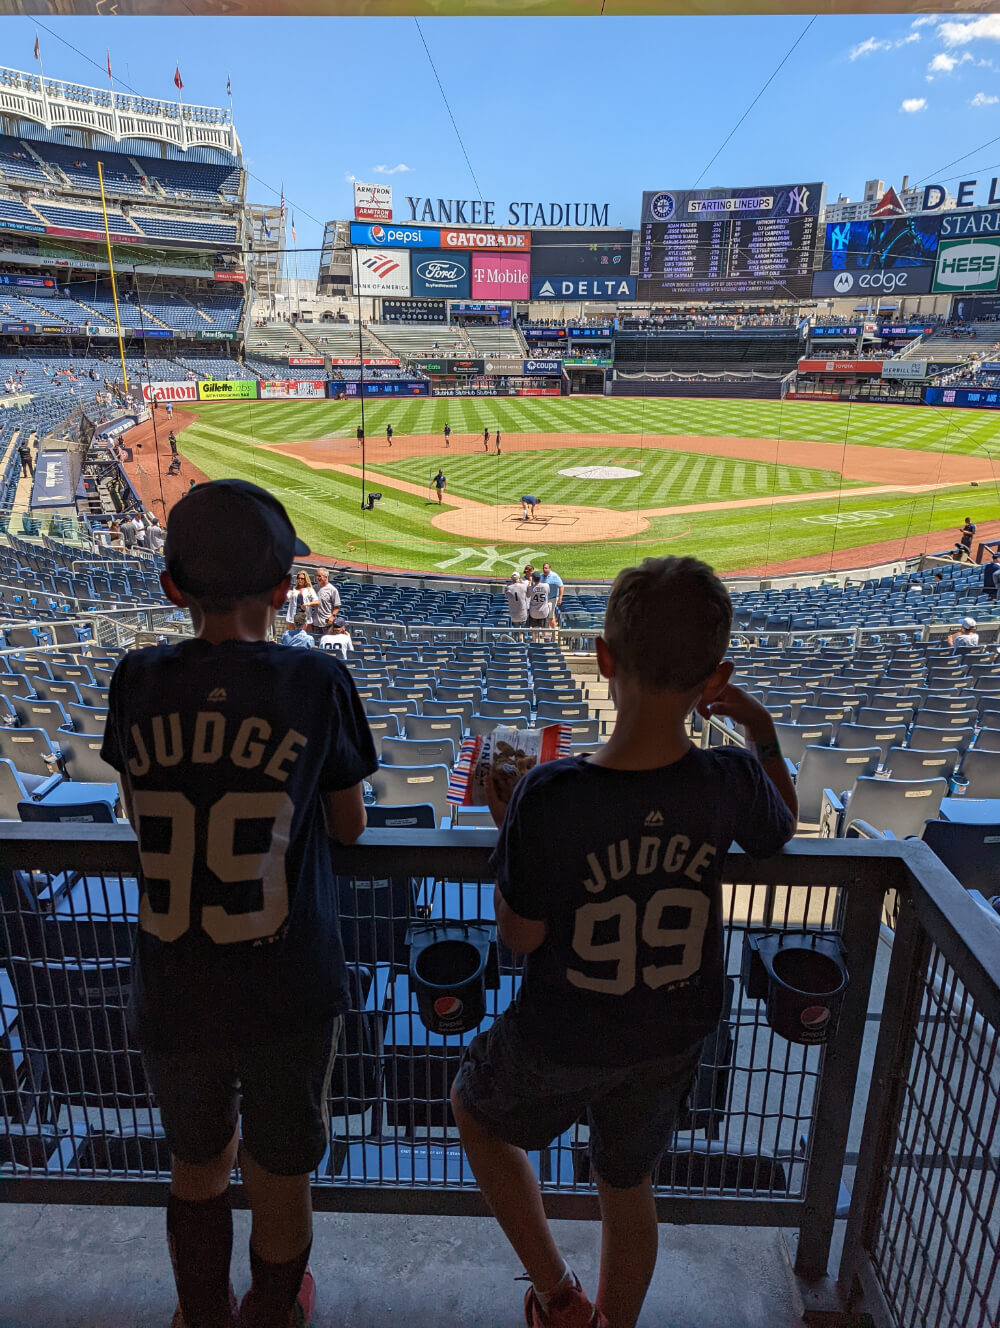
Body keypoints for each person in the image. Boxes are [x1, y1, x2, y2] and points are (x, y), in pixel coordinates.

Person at [450, 556, 796, 1328]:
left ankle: (559, 1296)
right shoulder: (733, 778)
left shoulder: (550, 794)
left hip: (564, 1031)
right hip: (672, 1033)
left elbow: (518, 935)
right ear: (716, 677)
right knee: (626, 1182)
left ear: (605, 660)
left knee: (474, 1111)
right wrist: (759, 724)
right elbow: (780, 820)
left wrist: (514, 838)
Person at [99, 479, 376, 1328]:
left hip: (175, 976)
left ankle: (200, 1312)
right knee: (280, 1173)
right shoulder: (316, 680)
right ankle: (274, 1311)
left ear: (171, 588)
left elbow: (140, 799)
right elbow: (350, 826)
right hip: (287, 982)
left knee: (196, 1165)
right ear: (286, 587)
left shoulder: (134, 680)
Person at [313, 566, 341, 633]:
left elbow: (337, 606)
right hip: (315, 623)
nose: (318, 578)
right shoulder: (314, 588)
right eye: (317, 576)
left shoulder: (332, 590)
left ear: (326, 577)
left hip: (327, 623)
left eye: (320, 576)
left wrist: (332, 617)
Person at [541, 562, 564, 626]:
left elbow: (561, 586)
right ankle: (546, 631)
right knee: (543, 616)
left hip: (552, 599)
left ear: (549, 569)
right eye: (543, 568)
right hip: (543, 599)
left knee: (551, 616)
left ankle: (554, 631)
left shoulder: (554, 576)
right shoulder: (541, 576)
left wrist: (560, 598)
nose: (544, 570)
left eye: (546, 568)